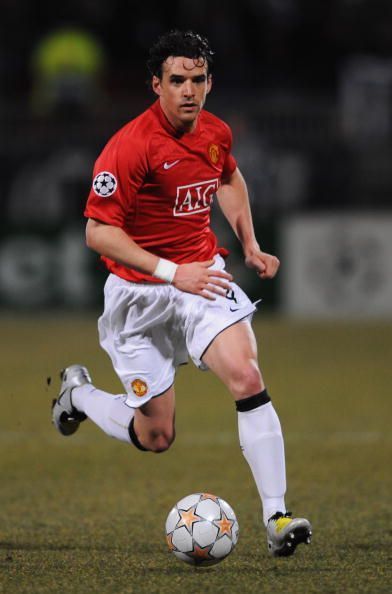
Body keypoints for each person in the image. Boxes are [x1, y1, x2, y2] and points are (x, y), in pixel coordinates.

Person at [51, 30, 312, 557]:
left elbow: (229, 180)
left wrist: (250, 243)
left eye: (197, 80)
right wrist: (173, 273)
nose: (188, 91)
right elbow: (97, 233)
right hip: (139, 296)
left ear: (209, 82)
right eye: (177, 80)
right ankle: (77, 395)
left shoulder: (215, 132)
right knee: (156, 437)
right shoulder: (131, 146)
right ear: (156, 84)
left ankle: (277, 516)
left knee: (246, 374)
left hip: (203, 280)